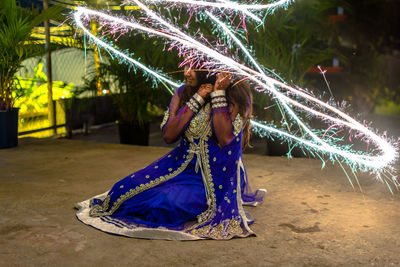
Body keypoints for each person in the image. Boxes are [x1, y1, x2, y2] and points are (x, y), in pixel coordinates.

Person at [75, 65, 266, 240]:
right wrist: (197, 98)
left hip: (217, 177)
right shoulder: (183, 92)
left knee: (166, 204)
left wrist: (218, 94)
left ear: (207, 70)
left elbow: (224, 138)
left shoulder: (235, 95)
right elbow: (169, 135)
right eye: (185, 67)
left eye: (192, 68)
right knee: (122, 190)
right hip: (178, 165)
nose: (186, 73)